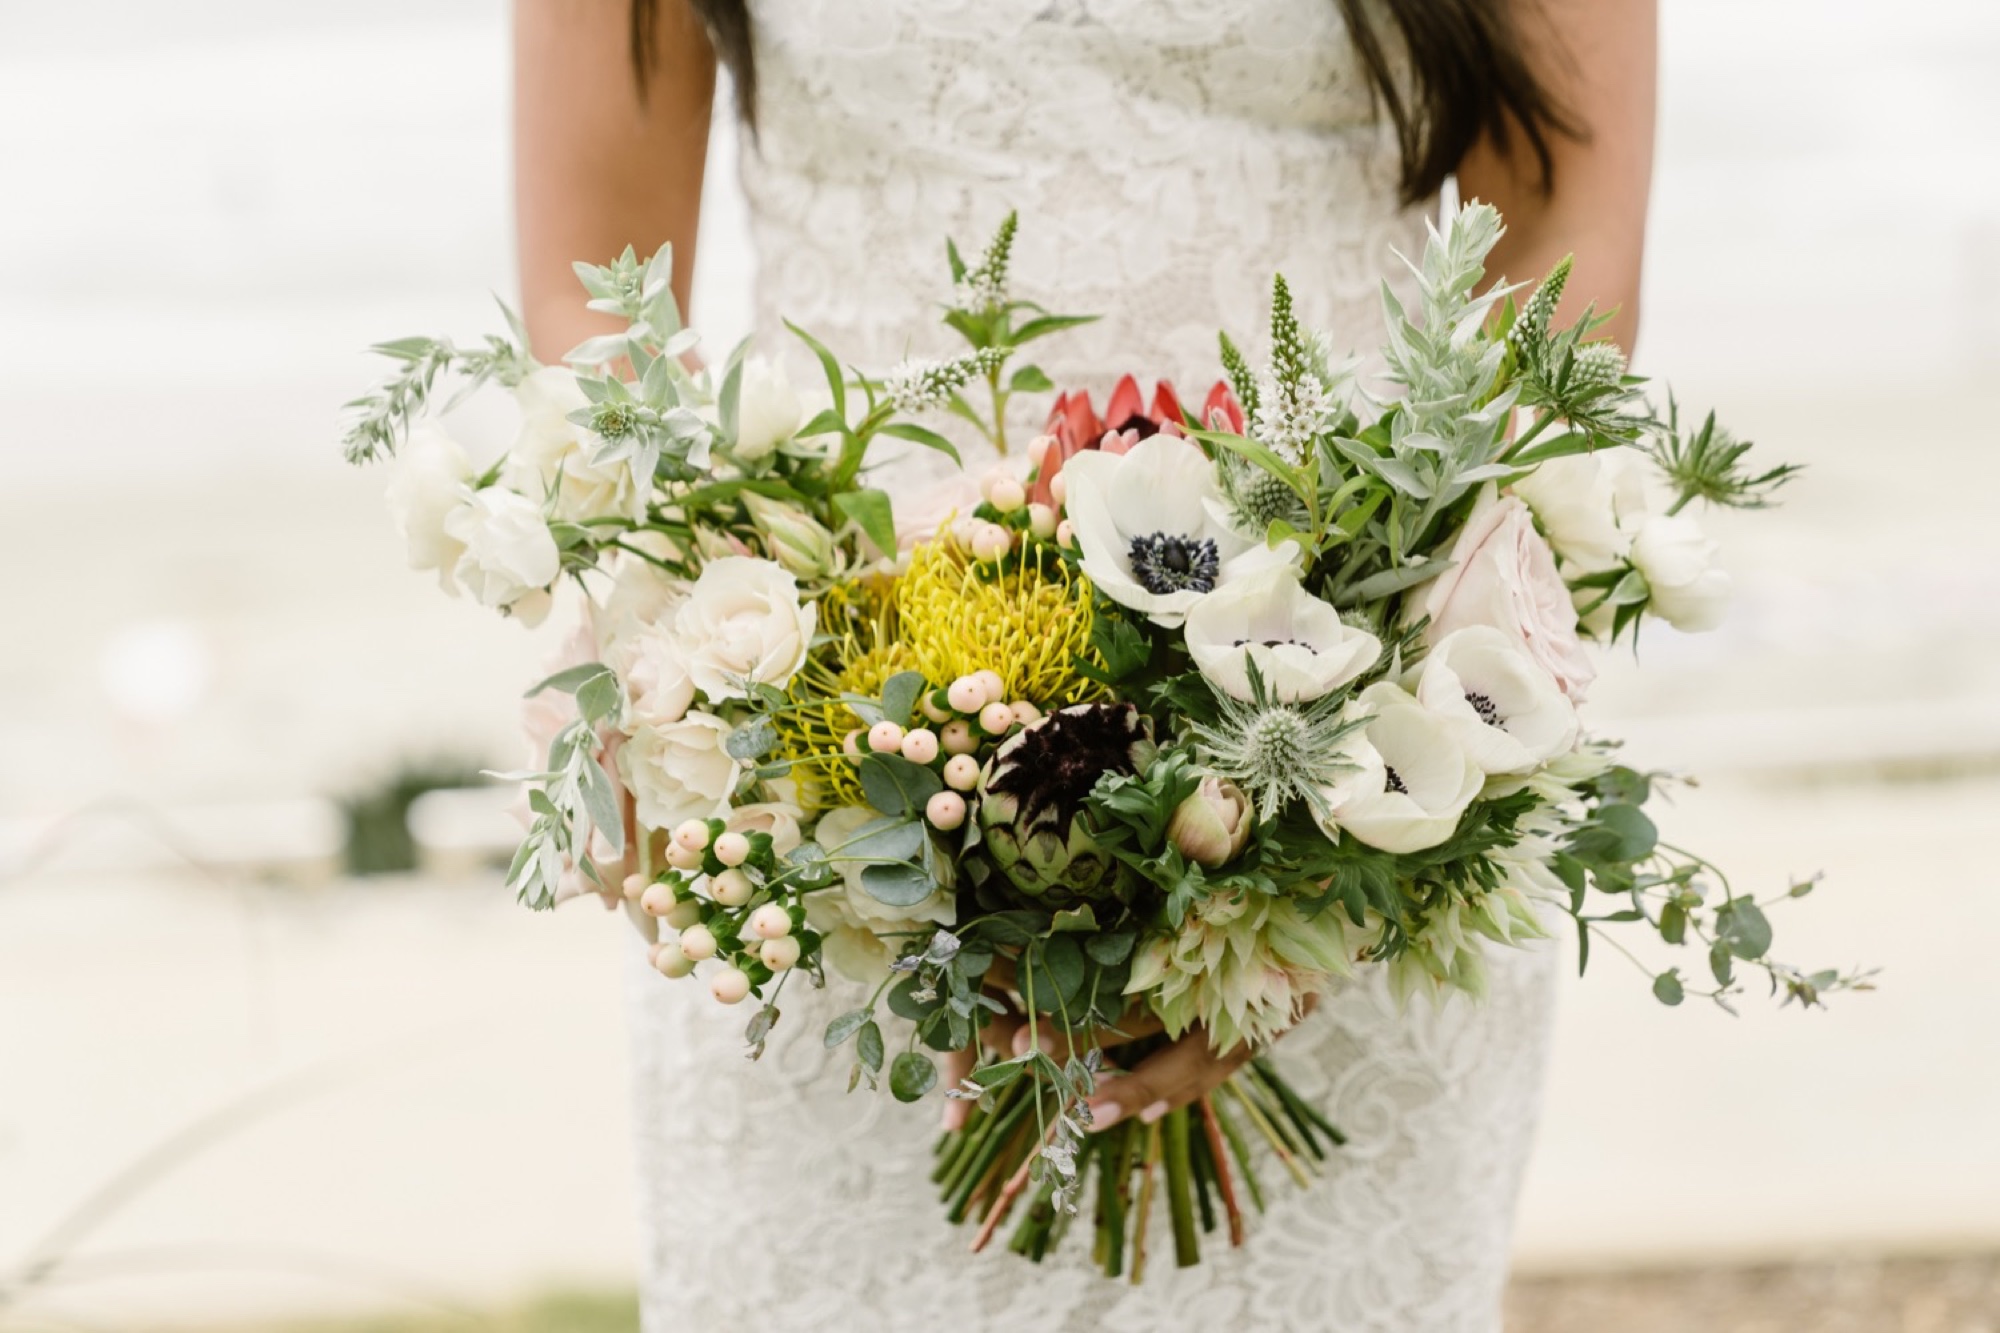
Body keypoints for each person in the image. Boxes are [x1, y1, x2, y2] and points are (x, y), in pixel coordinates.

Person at [513, 2, 1655, 1329]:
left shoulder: (1345, 805)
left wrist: (1310, 862)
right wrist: (726, 657)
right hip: (824, 822)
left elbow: (1562, 228)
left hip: (1346, 758)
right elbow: (592, 283)